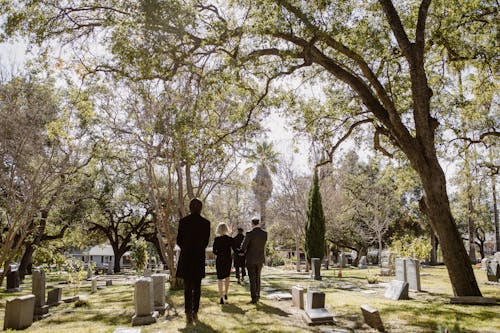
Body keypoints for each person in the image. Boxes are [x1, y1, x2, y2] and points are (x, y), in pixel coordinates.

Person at [176, 198, 211, 324]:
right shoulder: (206, 223)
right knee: (197, 286)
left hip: (186, 257)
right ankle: (195, 311)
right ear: (201, 208)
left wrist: (186, 248)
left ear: (190, 207)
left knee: (187, 287)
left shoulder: (183, 222)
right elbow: (206, 241)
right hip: (198, 257)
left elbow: (178, 240)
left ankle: (188, 312)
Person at [240, 217, 267, 304]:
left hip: (251, 259)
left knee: (252, 278)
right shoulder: (264, 234)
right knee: (258, 277)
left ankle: (254, 298)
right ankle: (257, 295)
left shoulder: (249, 233)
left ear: (252, 224)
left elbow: (243, 246)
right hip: (260, 258)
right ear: (258, 223)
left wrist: (242, 251)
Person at [212, 222, 233, 304]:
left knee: (220, 278)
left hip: (220, 260)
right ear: (226, 229)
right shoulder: (229, 239)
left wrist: (219, 254)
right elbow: (234, 248)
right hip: (228, 260)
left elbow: (214, 251)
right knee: (227, 277)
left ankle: (221, 297)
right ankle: (226, 293)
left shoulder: (216, 239)